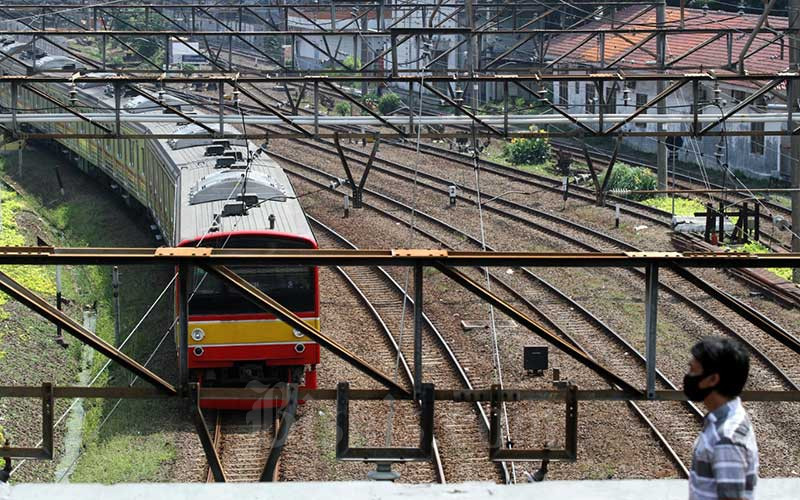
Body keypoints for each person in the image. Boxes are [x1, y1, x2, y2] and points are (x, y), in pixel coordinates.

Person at [684, 337, 758, 500]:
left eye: (693, 370)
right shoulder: (723, 421)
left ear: (712, 379)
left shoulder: (727, 438)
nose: (688, 376)